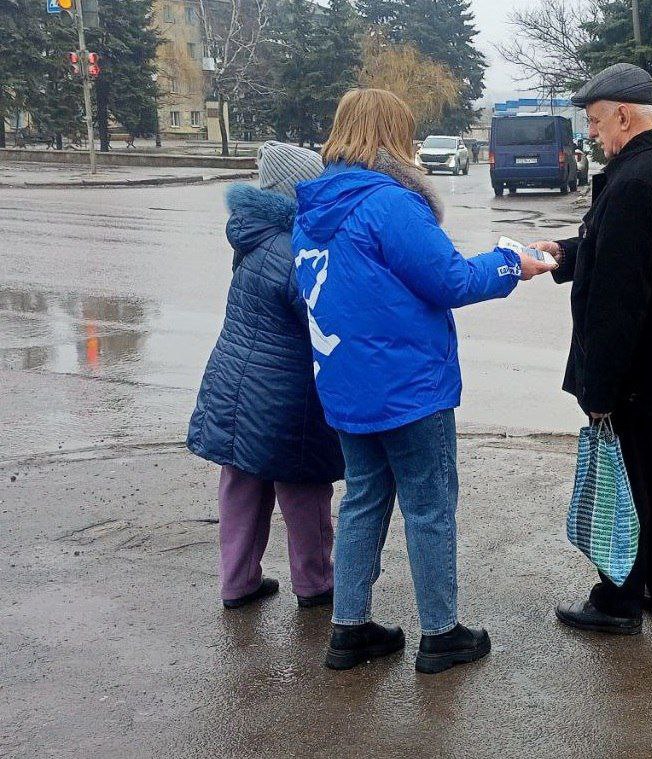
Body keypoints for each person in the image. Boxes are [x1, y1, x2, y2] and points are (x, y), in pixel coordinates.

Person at [293, 88, 554, 673]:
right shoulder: (388, 204)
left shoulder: (313, 208)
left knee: (362, 501)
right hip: (409, 389)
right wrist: (513, 262)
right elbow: (452, 281)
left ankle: (349, 629)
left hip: (344, 386)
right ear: (391, 135)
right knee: (430, 507)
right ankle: (441, 634)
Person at [530, 62, 652, 635]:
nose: (594, 135)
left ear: (624, 117)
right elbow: (618, 251)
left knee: (623, 487)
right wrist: (564, 250)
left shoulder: (632, 183)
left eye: (598, 122)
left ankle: (620, 599)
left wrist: (599, 389)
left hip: (631, 371)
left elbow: (618, 300)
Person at [187, 141, 345, 611]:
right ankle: (315, 582)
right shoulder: (295, 249)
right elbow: (321, 317)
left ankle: (237, 582)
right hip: (284, 393)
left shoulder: (253, 236)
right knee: (303, 488)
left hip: (234, 382)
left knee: (241, 485)